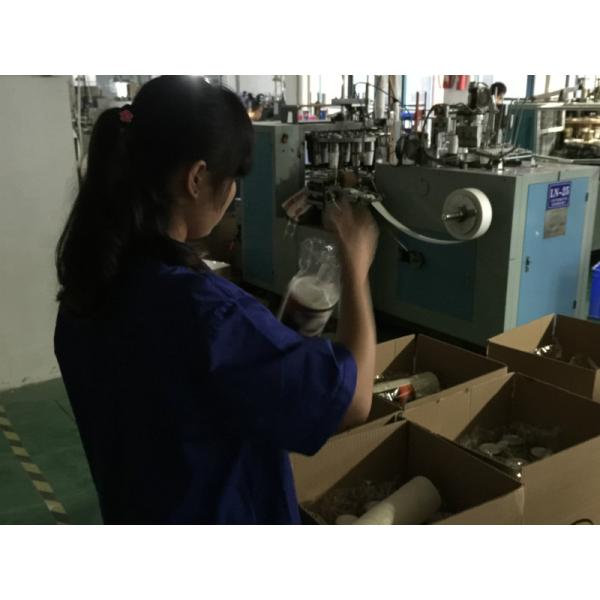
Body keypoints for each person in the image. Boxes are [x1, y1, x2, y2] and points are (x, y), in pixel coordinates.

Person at [54, 76, 378, 524]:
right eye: (233, 180)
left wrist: (272, 339)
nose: (233, 194)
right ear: (197, 178)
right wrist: (355, 268)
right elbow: (354, 401)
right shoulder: (209, 313)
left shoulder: (85, 291)